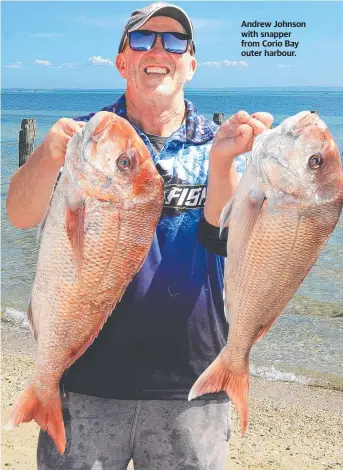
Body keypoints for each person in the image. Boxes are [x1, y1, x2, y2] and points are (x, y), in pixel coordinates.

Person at [6, 2, 273, 469]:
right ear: (121, 60)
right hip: (85, 379)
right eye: (143, 38)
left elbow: (231, 239)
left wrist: (228, 163)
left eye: (174, 41)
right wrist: (45, 158)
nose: (158, 49)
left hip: (193, 384)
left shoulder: (223, 147)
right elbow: (20, 215)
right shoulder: (88, 141)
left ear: (191, 64)